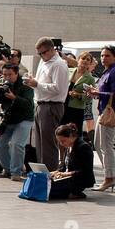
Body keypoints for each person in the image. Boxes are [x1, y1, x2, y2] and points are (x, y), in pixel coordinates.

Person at [24, 37, 69, 170]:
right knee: (40, 145)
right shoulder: (44, 62)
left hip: (51, 105)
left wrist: (37, 84)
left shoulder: (59, 64)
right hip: (41, 104)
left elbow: (58, 89)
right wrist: (33, 82)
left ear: (51, 49)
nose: (41, 56)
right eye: (39, 54)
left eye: (43, 53)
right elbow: (40, 84)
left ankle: (50, 174)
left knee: (48, 145)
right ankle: (43, 173)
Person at [0, 63, 35, 181]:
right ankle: (7, 169)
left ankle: (16, 172)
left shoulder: (25, 84)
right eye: (4, 74)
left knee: (17, 144)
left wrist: (14, 98)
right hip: (9, 119)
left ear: (16, 73)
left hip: (24, 118)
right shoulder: (2, 81)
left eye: (10, 75)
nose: (7, 77)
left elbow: (28, 105)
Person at [92, 45, 115, 192]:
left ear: (114, 57)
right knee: (98, 144)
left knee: (106, 147)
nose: (104, 58)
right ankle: (111, 175)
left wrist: (97, 93)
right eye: (102, 55)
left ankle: (109, 178)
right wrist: (94, 93)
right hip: (103, 112)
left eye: (107, 55)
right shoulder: (106, 72)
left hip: (110, 113)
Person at [49, 123, 96, 200]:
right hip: (69, 178)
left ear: (71, 136)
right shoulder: (69, 146)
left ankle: (76, 192)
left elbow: (85, 171)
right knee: (45, 185)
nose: (61, 144)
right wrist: (56, 172)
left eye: (63, 141)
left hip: (79, 180)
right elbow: (65, 167)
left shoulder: (83, 147)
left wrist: (65, 174)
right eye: (60, 141)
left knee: (50, 191)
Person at [63, 51, 97, 133]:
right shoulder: (68, 71)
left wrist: (78, 95)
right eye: (83, 58)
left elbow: (90, 97)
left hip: (77, 109)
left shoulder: (90, 78)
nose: (85, 61)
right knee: (62, 131)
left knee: (75, 134)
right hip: (63, 106)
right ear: (78, 60)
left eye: (88, 60)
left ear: (90, 63)